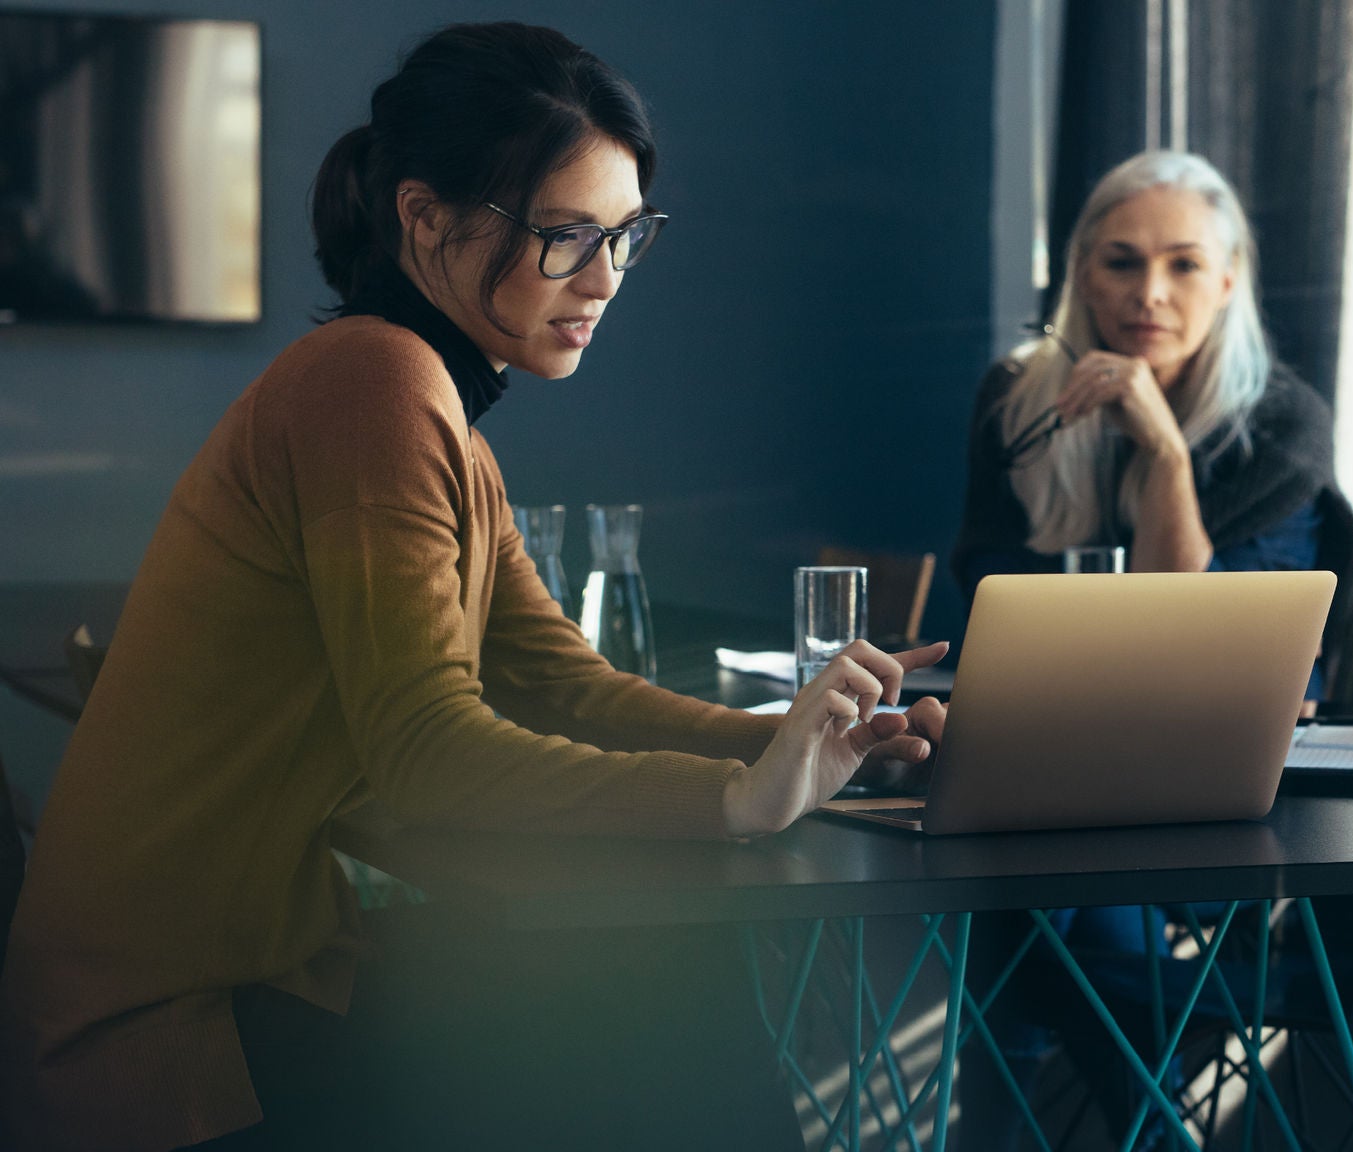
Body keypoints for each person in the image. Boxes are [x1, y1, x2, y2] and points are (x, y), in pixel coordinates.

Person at [0, 24, 945, 1152]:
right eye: (562, 236)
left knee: (644, 974)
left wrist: (795, 746)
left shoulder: (418, 400)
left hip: (249, 980)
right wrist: (730, 804)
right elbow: (424, 745)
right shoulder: (371, 384)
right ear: (424, 218)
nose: (602, 280)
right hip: (163, 1040)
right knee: (658, 984)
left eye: (623, 236)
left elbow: (567, 689)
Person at [951, 149, 1353, 1148]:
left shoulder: (1278, 425)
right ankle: (1136, 1103)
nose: (1149, 294)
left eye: (1182, 265)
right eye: (1120, 263)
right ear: (1080, 275)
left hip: (1225, 801)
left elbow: (1192, 647)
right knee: (1011, 875)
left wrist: (1161, 451)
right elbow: (984, 601)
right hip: (1048, 776)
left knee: (1014, 898)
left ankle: (1026, 1127)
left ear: (1228, 280)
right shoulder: (1019, 401)